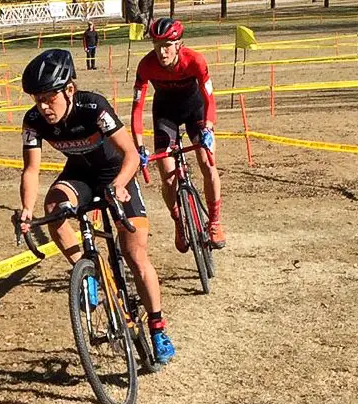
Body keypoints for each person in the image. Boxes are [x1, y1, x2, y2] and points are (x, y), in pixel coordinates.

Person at [17, 49, 175, 363]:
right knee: (54, 208)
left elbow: (130, 154)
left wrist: (118, 184)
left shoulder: (94, 107)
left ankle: (157, 327)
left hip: (117, 173)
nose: (44, 107)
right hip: (80, 175)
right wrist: (25, 208)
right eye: (38, 100)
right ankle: (88, 272)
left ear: (69, 90)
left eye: (50, 98)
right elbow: (31, 170)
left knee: (134, 254)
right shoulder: (33, 120)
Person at [132, 18, 225, 250]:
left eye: (167, 45)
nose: (161, 52)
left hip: (195, 111)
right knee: (168, 175)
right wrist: (139, 146)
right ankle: (179, 222)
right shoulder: (146, 66)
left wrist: (209, 128)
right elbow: (137, 108)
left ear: (178, 44)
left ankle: (214, 222)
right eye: (156, 45)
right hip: (165, 114)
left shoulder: (195, 60)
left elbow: (209, 98)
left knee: (207, 162)